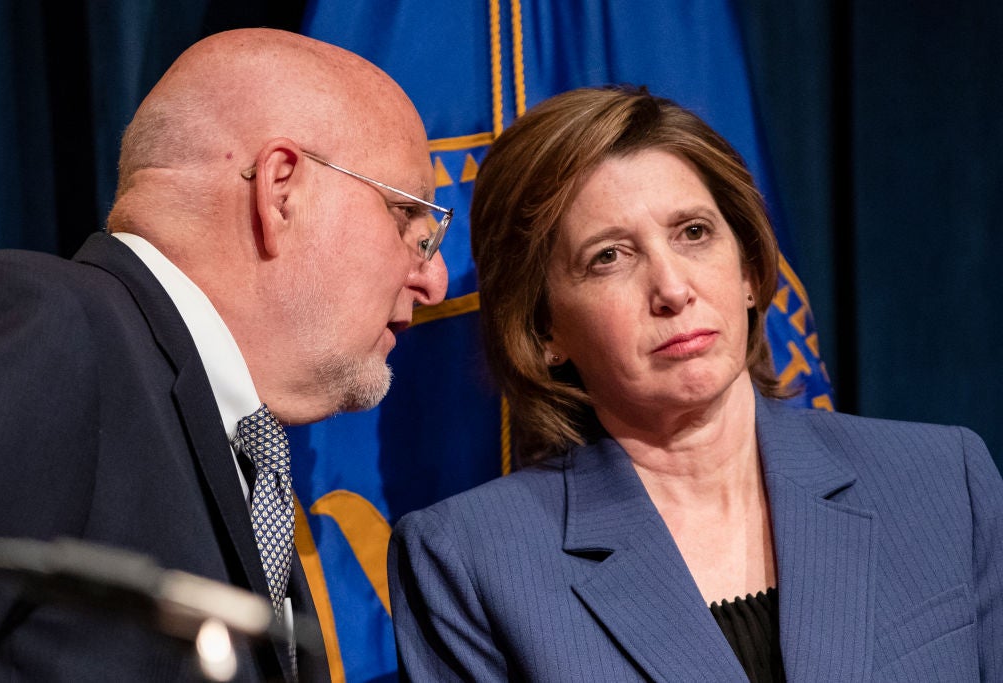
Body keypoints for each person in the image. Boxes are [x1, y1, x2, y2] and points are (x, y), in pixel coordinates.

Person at [388, 86, 1003, 681]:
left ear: (747, 271)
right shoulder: (468, 562)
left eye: (694, 233)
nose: (674, 289)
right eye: (609, 257)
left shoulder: (945, 480)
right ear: (545, 328)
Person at [0, 28, 449, 681]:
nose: (435, 279)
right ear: (282, 188)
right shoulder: (57, 326)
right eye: (407, 219)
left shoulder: (245, 450)